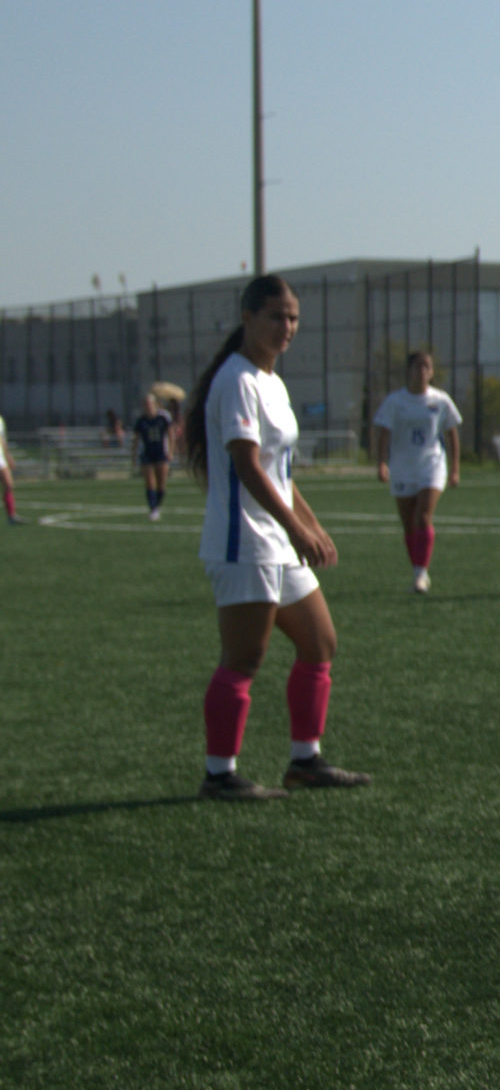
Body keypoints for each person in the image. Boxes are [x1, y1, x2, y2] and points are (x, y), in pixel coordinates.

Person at [183, 275, 369, 800]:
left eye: (292, 319)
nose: (286, 327)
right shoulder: (237, 379)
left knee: (320, 642)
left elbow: (280, 473)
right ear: (248, 318)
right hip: (245, 541)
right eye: (275, 317)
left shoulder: (272, 382)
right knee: (243, 657)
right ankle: (219, 773)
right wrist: (294, 528)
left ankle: (305, 761)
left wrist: (308, 524)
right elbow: (246, 466)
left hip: (277, 540)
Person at [373, 349, 465, 594]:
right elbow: (384, 434)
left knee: (423, 516)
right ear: (409, 371)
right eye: (417, 366)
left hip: (432, 464)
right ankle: (416, 568)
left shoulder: (441, 400)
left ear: (432, 372)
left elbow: (452, 433)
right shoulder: (395, 401)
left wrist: (455, 468)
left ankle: (421, 573)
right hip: (402, 467)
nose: (422, 371)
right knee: (408, 523)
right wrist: (382, 463)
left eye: (427, 367)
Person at [133, 392, 176, 521]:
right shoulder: (141, 420)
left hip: (161, 453)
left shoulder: (163, 417)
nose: (147, 406)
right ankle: (153, 508)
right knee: (150, 482)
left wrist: (171, 452)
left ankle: (157, 505)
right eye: (145, 404)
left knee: (161, 484)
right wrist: (134, 455)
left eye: (149, 403)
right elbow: (136, 439)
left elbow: (170, 434)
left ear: (155, 404)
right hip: (146, 453)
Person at [0, 410, 21, 525]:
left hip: (0, 458)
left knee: (8, 484)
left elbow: (2, 440)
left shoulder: (0, 421)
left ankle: (11, 515)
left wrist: (8, 456)